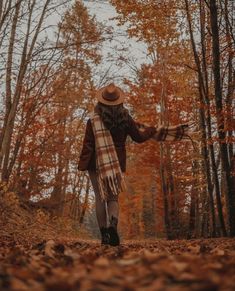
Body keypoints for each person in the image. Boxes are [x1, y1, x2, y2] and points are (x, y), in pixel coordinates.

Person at [77, 83, 157, 246]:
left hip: (96, 163)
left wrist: (83, 164)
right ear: (119, 101)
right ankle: (113, 225)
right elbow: (139, 138)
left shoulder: (93, 119)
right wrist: (152, 130)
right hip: (116, 164)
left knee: (100, 197)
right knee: (113, 198)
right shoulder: (125, 117)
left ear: (101, 101)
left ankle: (105, 235)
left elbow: (88, 144)